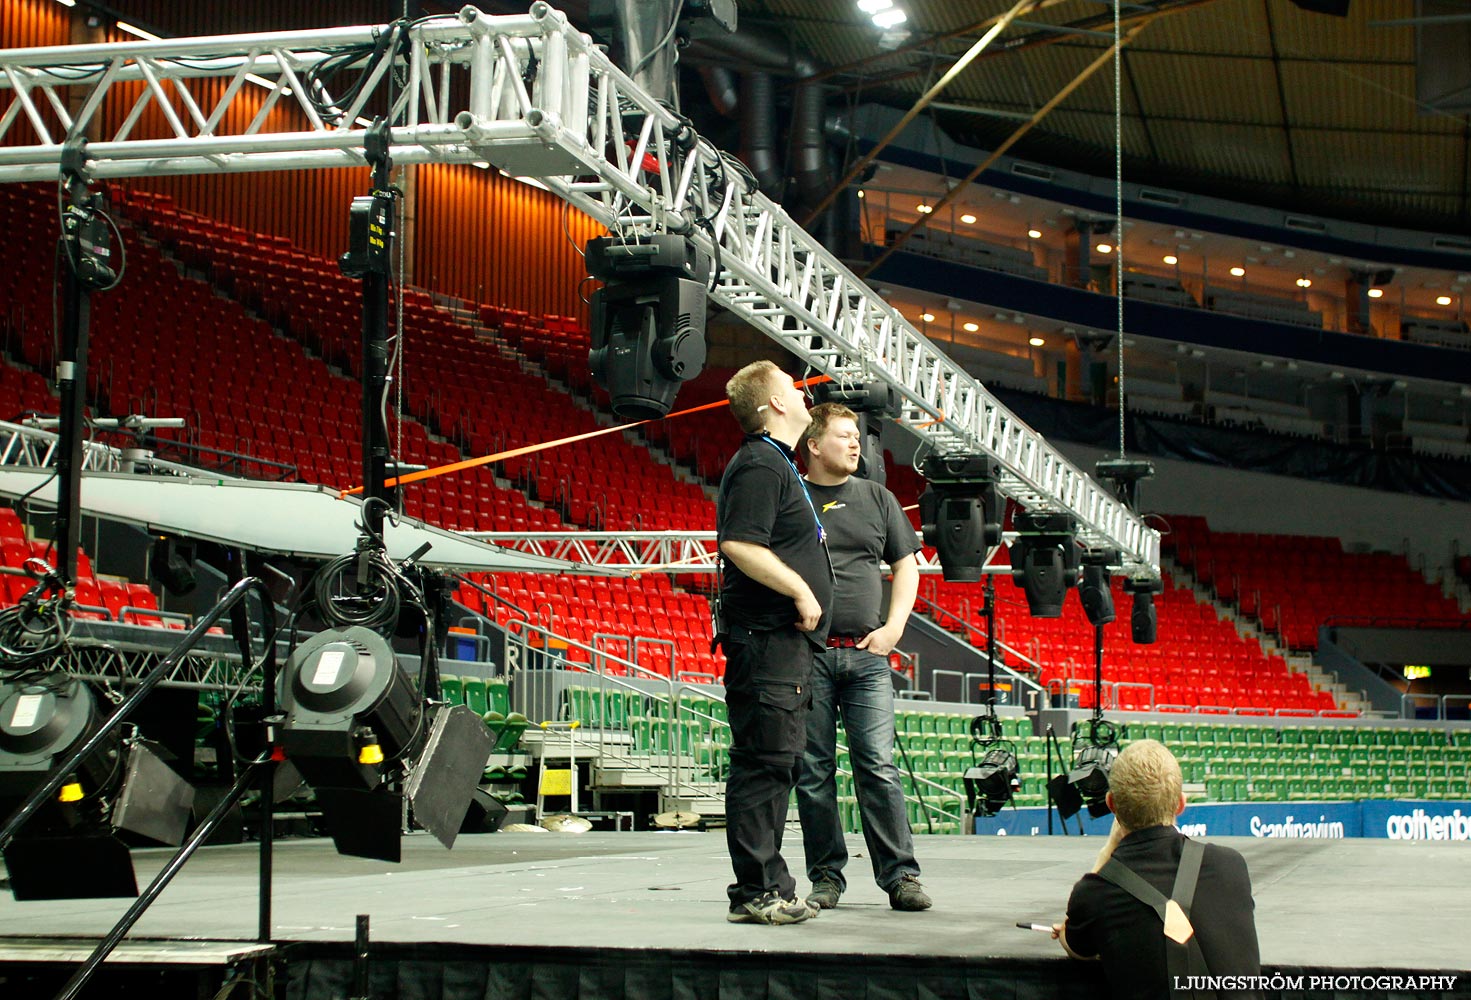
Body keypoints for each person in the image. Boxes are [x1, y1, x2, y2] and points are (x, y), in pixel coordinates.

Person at [794, 402, 931, 913]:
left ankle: (901, 878)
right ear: (814, 444)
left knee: (878, 767)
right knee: (813, 772)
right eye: (844, 436)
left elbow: (907, 567)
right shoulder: (793, 495)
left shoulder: (878, 497)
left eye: (857, 436)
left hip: (868, 657)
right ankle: (826, 876)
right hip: (808, 656)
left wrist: (894, 628)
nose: (856, 443)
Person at [716, 360, 833, 925]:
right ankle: (758, 890)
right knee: (765, 763)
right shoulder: (761, 464)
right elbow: (741, 544)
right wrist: (803, 592)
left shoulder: (776, 464)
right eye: (793, 385)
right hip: (766, 641)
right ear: (775, 405)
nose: (803, 390)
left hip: (779, 645)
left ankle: (768, 886)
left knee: (776, 762)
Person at [1053, 739, 1261, 1000]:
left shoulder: (1095, 893)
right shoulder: (1231, 865)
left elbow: (1075, 947)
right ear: (1181, 804)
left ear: (1111, 804)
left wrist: (1108, 850)